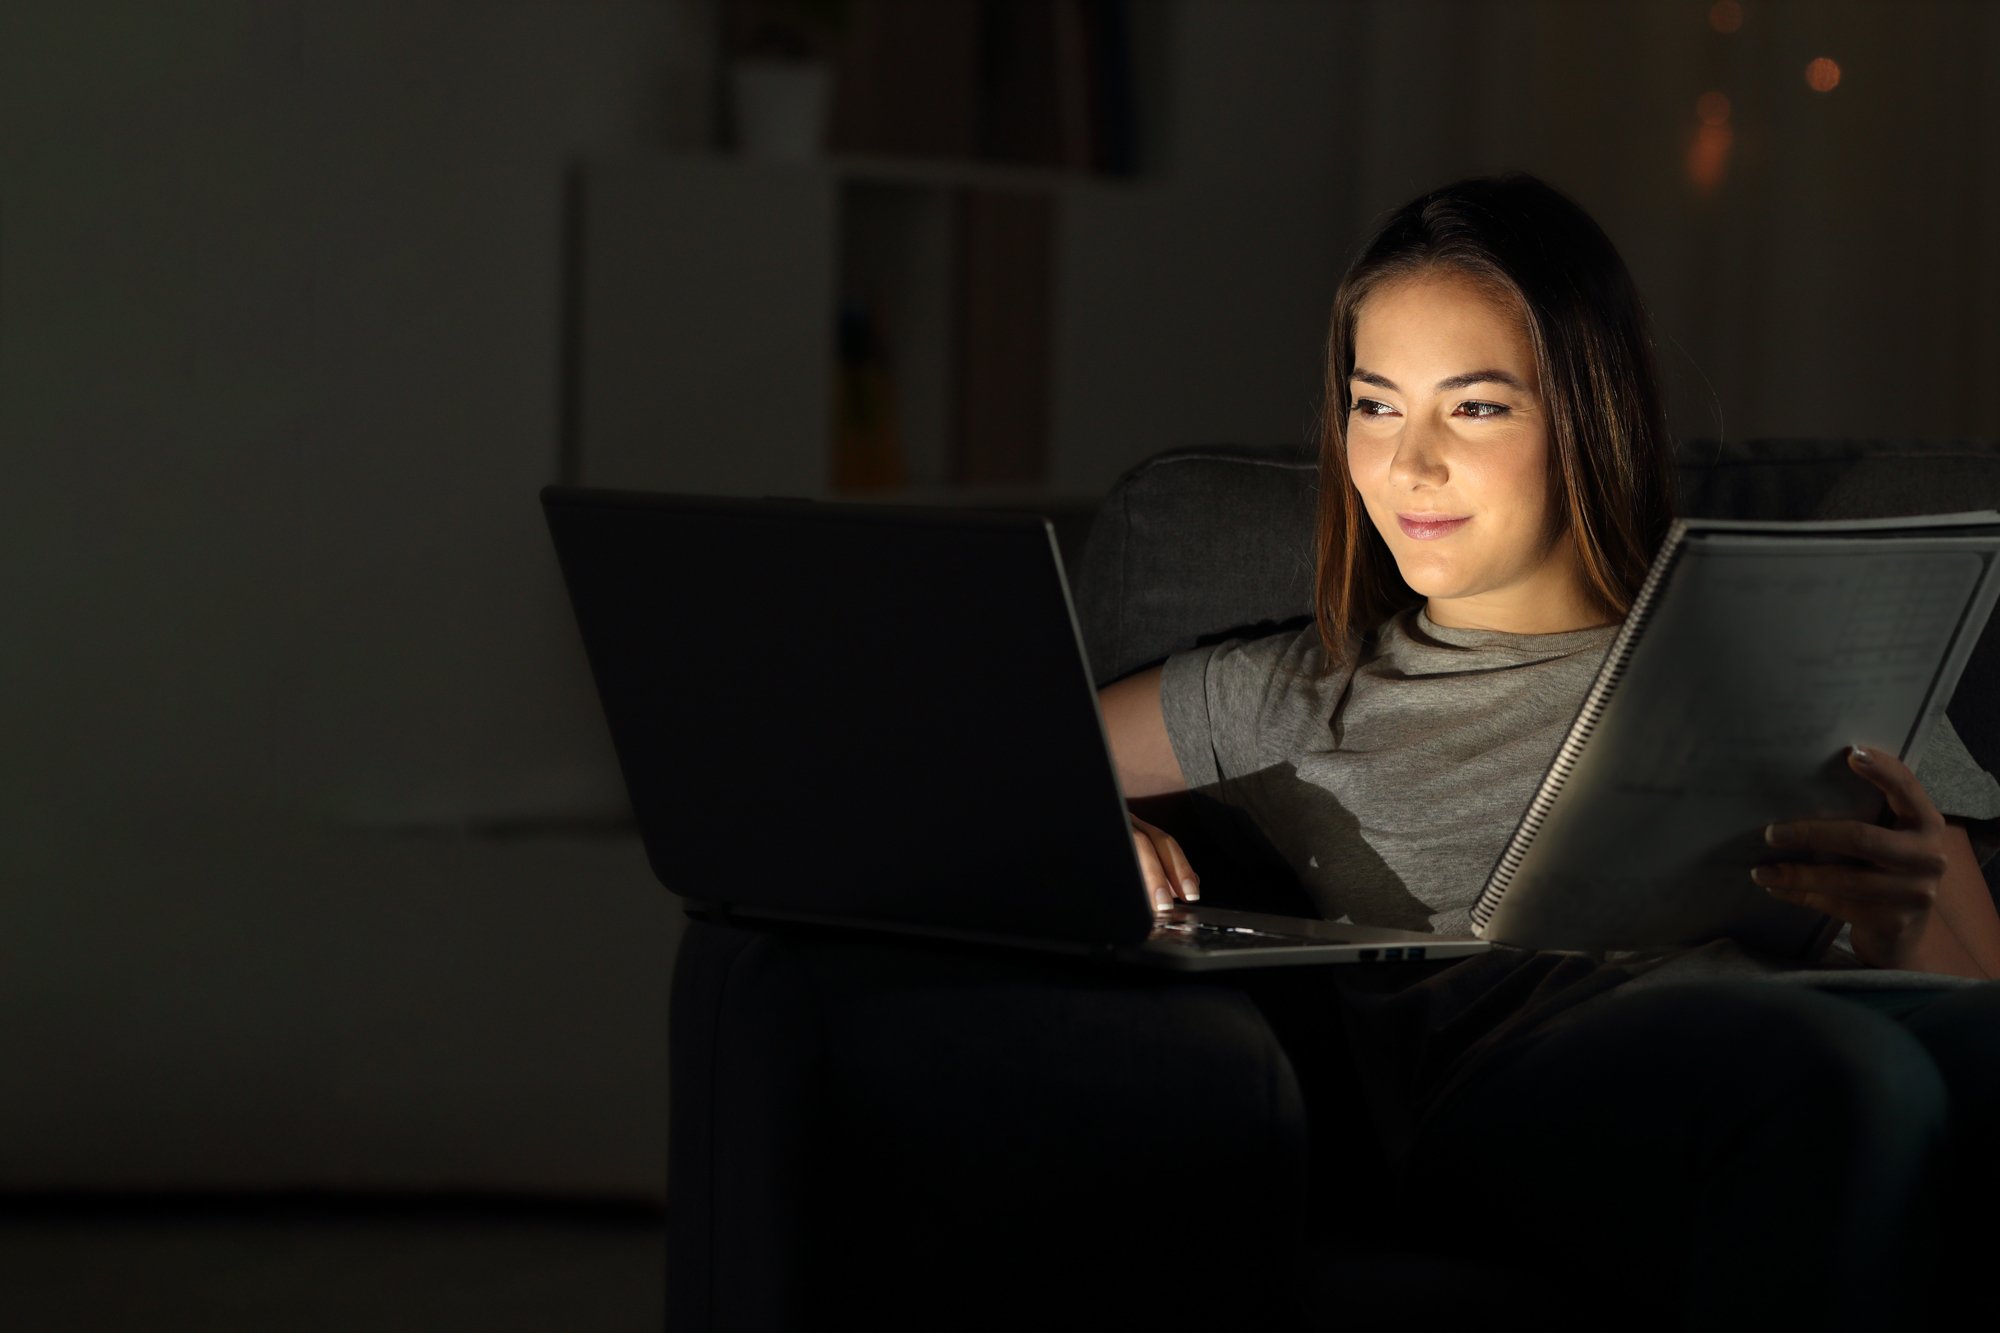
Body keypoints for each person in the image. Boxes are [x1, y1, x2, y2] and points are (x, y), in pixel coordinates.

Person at [1096, 172, 2000, 1331]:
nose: (1408, 462)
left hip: (1795, 1027)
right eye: (1374, 405)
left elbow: (1977, 993)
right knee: (1832, 1070)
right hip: (1515, 1083)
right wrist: (1082, 827)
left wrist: (1912, 929)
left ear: (1582, 413)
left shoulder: (1783, 657)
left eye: (1472, 408)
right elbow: (989, 762)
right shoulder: (1288, 691)